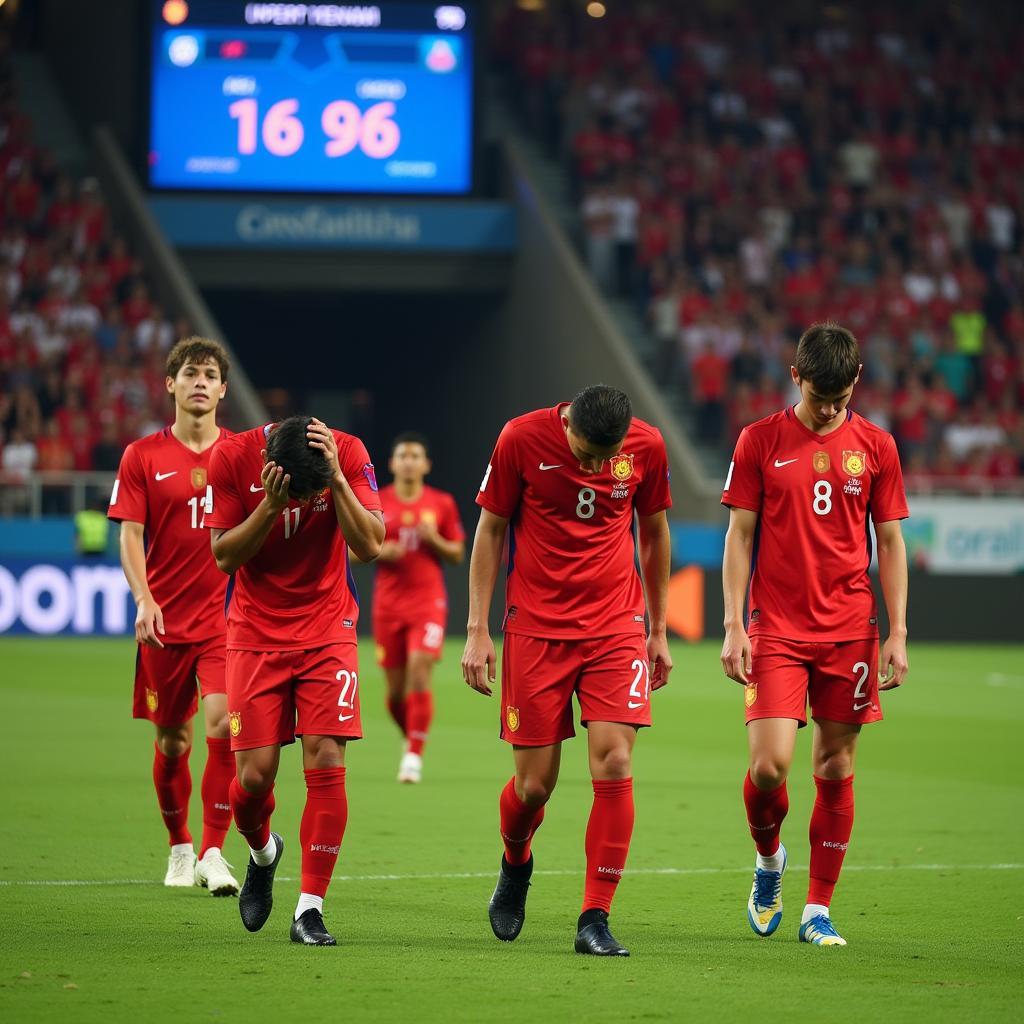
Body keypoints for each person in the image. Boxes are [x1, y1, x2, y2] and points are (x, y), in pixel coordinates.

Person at [462, 385, 673, 957]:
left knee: (616, 759)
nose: (594, 467)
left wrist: (657, 628)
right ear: (568, 424)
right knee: (533, 787)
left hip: (615, 626)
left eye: (606, 458)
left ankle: (595, 918)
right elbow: (490, 530)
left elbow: (652, 533)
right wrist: (478, 628)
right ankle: (516, 859)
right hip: (536, 628)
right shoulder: (520, 437)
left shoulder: (648, 447)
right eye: (584, 453)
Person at [720, 322, 909, 947]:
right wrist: (732, 623)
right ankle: (769, 860)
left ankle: (817, 910)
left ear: (856, 381)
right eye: (820, 396)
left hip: (850, 630)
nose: (830, 409)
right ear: (795, 375)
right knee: (770, 768)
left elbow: (891, 541)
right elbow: (740, 536)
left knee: (835, 764)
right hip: (774, 627)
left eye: (841, 397)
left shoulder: (876, 445)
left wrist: (898, 631)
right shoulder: (759, 440)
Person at [205, 415, 384, 946]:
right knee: (255, 779)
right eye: (300, 495)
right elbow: (223, 556)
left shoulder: (348, 451)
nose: (307, 506)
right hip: (255, 632)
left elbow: (371, 545)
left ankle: (310, 908)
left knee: (327, 757)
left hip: (329, 628)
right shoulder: (231, 458)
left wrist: (337, 481)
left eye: (312, 498)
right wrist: (271, 504)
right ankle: (263, 853)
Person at [107, 336, 239, 895]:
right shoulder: (142, 456)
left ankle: (213, 850)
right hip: (163, 623)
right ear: (171, 384)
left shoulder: (240, 453)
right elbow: (130, 536)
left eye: (210, 374)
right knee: (172, 744)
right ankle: (179, 846)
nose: (200, 382)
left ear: (224, 388)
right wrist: (143, 598)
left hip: (226, 621)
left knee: (223, 729)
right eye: (190, 373)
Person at [372, 432, 464, 784]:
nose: (409, 461)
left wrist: (434, 539)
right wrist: (381, 552)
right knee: (395, 694)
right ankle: (411, 736)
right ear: (393, 463)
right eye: (403, 455)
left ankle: (413, 755)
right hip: (388, 606)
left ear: (426, 464)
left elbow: (456, 554)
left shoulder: (441, 503)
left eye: (416, 455)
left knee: (420, 670)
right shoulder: (377, 502)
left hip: (428, 602)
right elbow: (351, 551)